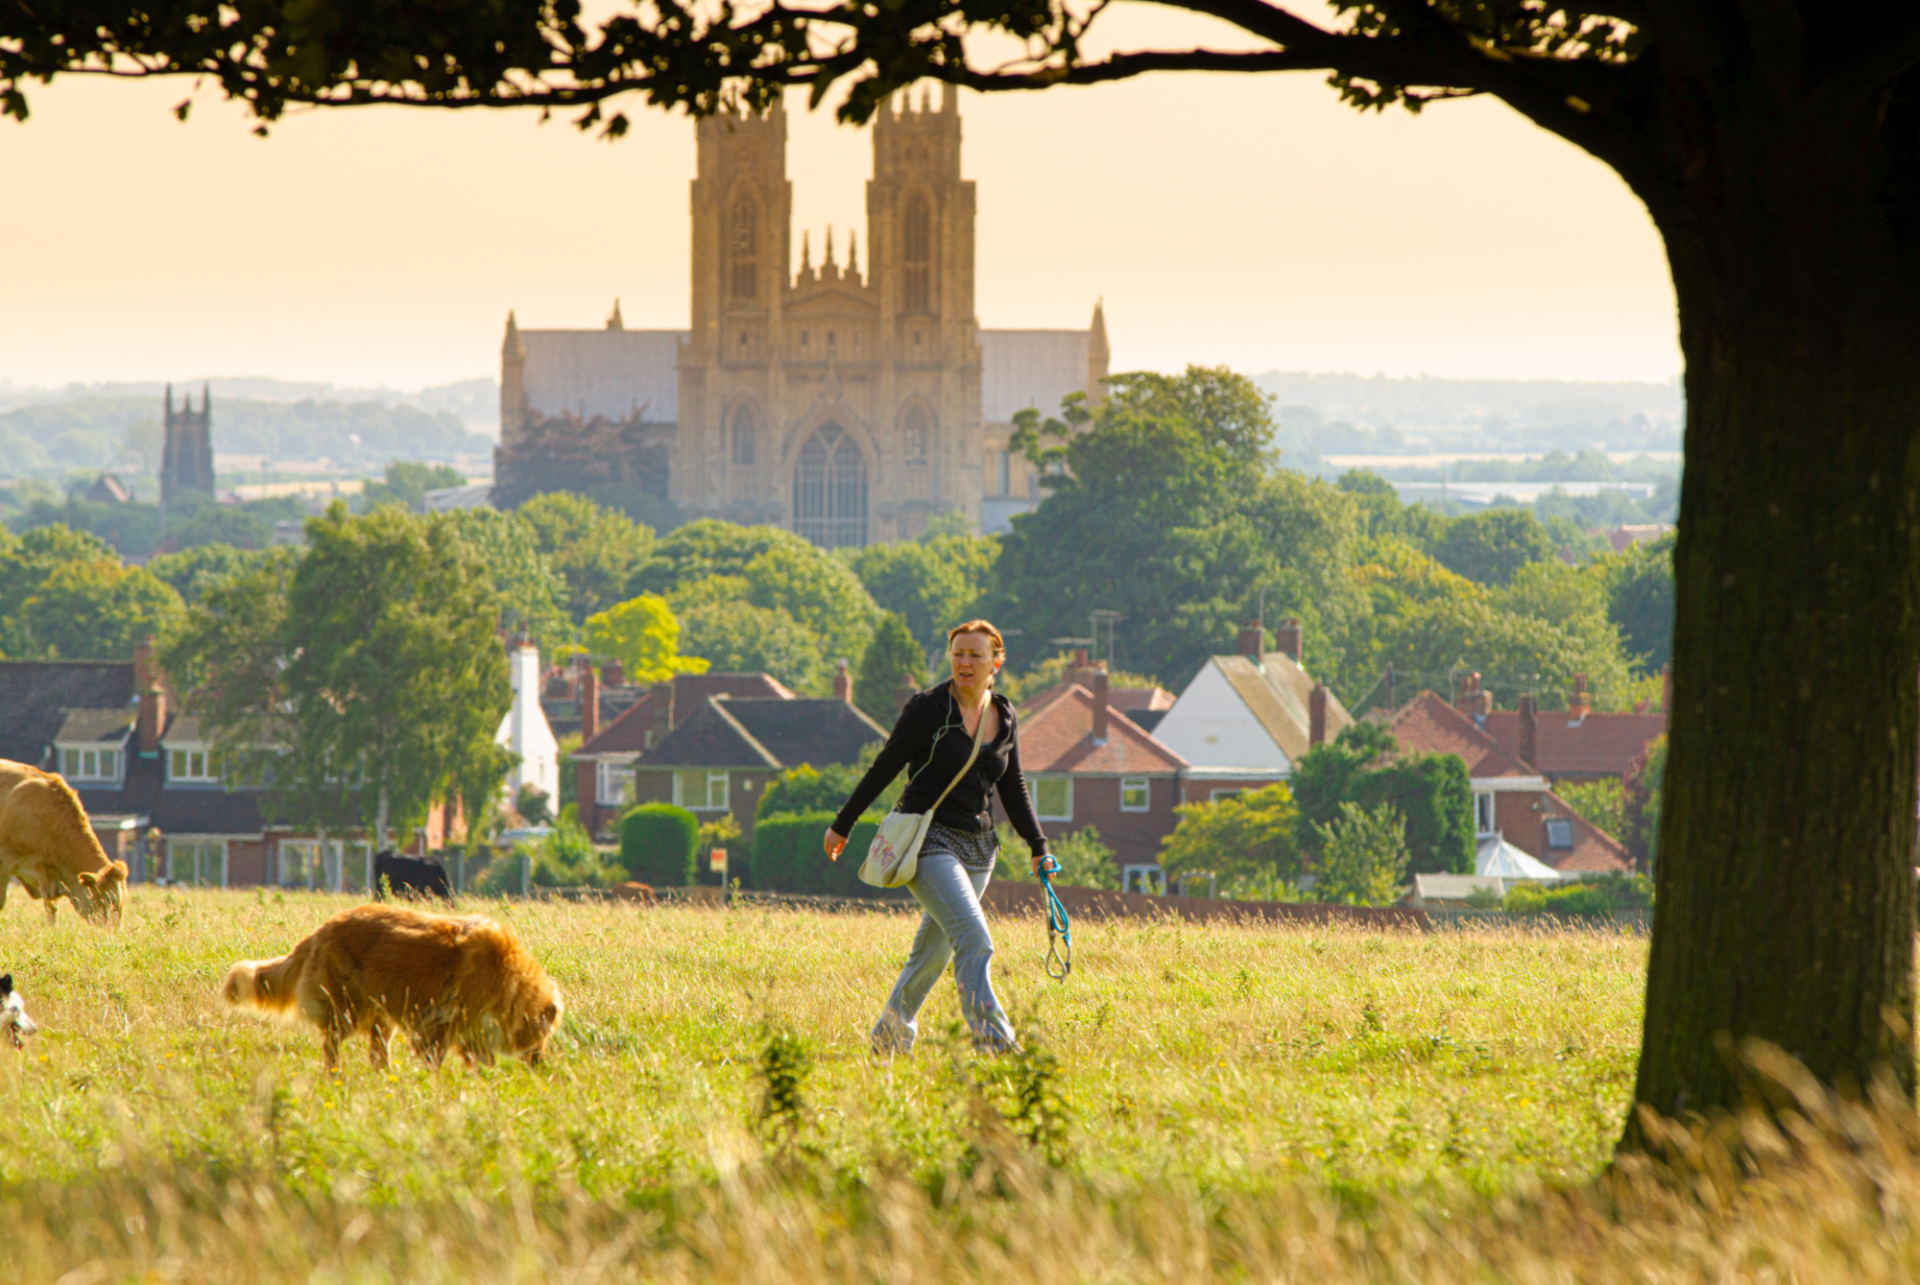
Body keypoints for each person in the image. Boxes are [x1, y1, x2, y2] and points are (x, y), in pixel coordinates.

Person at [824, 619, 1049, 1054]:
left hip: (980, 849)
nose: (965, 663)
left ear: (996, 663)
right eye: (958, 654)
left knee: (931, 956)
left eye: (975, 655)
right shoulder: (927, 708)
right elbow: (885, 765)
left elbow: (1013, 786)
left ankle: (888, 1040)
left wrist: (1038, 846)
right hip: (928, 840)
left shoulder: (1004, 714)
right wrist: (844, 823)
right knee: (974, 938)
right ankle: (995, 1042)